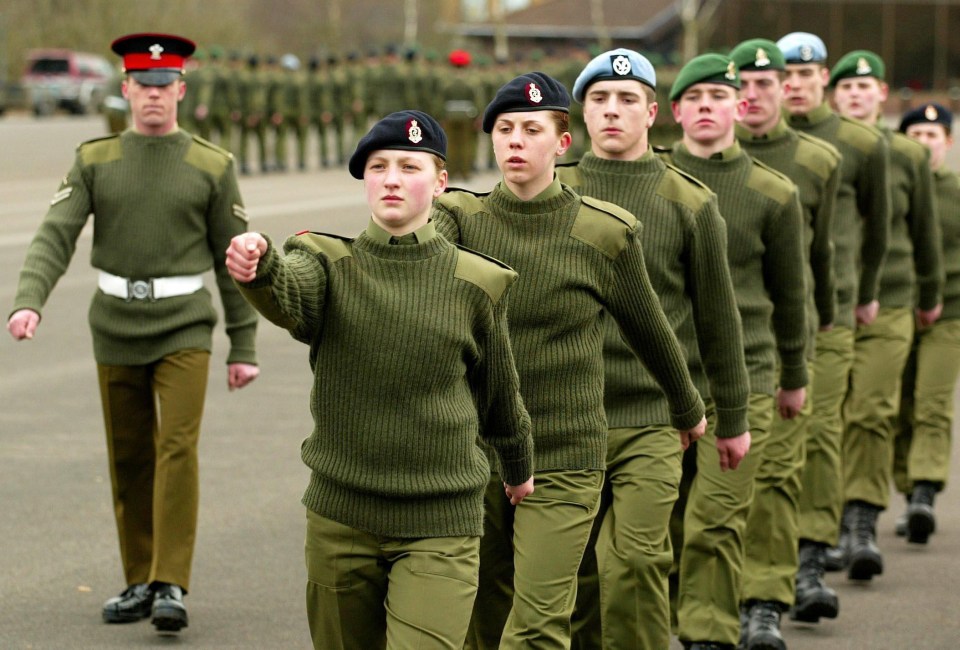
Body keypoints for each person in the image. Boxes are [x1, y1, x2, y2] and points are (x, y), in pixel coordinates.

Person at [224, 110, 535, 650]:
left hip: (441, 520)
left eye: (409, 166)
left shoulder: (478, 282)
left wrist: (518, 466)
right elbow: (291, 293)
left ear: (440, 181)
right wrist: (261, 265)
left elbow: (498, 393)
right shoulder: (327, 262)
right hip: (342, 517)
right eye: (379, 166)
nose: (391, 178)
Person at [432, 71, 707, 650]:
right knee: (483, 609)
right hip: (476, 452)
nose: (514, 141)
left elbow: (651, 331)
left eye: (531, 130)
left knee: (535, 626)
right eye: (504, 129)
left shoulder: (603, 233)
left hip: (563, 450)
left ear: (561, 143)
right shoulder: (459, 220)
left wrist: (687, 408)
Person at [6, 33, 260, 634]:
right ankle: (141, 579)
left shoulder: (210, 165)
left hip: (184, 327)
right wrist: (28, 302)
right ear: (124, 90)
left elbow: (234, 259)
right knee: (129, 456)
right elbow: (54, 234)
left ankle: (171, 580)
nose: (152, 97)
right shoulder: (95, 160)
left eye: (163, 86)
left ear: (181, 90)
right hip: (115, 324)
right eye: (141, 86)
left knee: (176, 448)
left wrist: (242, 345)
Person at [556, 48, 751, 650]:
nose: (612, 111)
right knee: (577, 576)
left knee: (637, 561)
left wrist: (733, 418)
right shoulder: (550, 194)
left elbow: (719, 320)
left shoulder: (689, 203)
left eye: (626, 100)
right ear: (582, 114)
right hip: (566, 417)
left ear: (651, 112)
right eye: (599, 100)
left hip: (652, 419)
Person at [662, 52, 808, 650]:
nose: (705, 108)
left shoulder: (772, 192)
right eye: (693, 99)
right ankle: (672, 621)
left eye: (717, 98)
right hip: (665, 382)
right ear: (674, 111)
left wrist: (793, 375)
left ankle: (708, 633)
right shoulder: (651, 182)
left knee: (715, 519)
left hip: (744, 376)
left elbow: (790, 294)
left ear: (738, 107)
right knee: (664, 522)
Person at [730, 38, 841, 648]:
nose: (751, 96)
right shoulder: (690, 164)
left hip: (776, 346)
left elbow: (818, 265)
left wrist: (807, 348)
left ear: (784, 90)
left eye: (764, 84)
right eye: (738, 85)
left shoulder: (817, 162)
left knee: (774, 477)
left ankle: (766, 600)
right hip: (703, 355)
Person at [774, 31, 891, 588]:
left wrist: (863, 292)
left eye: (805, 73)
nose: (794, 84)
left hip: (831, 312)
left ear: (825, 78)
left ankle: (812, 554)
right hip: (764, 317)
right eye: (785, 75)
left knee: (819, 431)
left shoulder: (859, 146)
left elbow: (877, 231)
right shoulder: (752, 141)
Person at [829, 49, 943, 574]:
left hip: (891, 299)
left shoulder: (907, 155)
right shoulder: (817, 149)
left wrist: (929, 296)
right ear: (835, 94)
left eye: (866, 85)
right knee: (827, 418)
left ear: (882, 93)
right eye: (846, 86)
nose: (856, 93)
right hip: (827, 303)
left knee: (872, 411)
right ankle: (820, 527)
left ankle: (859, 521)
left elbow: (924, 233)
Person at [893, 103, 957, 544]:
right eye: (916, 134)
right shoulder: (892, 189)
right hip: (897, 311)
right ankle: (906, 485)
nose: (925, 142)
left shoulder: (956, 190)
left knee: (932, 403)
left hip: (949, 313)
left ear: (948, 143)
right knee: (896, 408)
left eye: (933, 135)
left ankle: (924, 491)